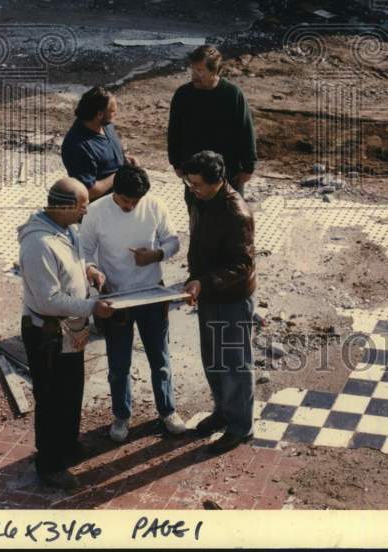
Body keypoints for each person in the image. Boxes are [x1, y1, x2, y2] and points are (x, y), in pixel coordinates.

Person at [18, 176, 114, 491]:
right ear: (66, 206)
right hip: (48, 334)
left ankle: (68, 445)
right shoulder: (38, 244)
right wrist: (91, 307)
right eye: (82, 207)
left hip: (69, 331)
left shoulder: (66, 229)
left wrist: (89, 270)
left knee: (71, 391)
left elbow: (75, 260)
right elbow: (49, 299)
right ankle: (50, 464)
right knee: (51, 399)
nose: (85, 213)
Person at [80, 164, 188, 442]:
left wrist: (155, 255)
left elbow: (173, 241)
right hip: (115, 296)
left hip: (151, 292)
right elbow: (84, 251)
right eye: (126, 200)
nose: (131, 206)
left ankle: (167, 411)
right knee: (118, 364)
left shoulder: (154, 205)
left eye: (136, 201)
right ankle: (121, 416)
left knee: (160, 359)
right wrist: (92, 270)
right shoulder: (96, 211)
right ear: (115, 191)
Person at [183, 151, 256, 453]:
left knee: (236, 364)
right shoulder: (198, 198)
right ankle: (223, 411)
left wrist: (204, 281)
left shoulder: (236, 213)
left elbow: (243, 266)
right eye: (189, 183)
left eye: (197, 184)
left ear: (217, 182)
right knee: (213, 359)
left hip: (232, 299)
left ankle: (241, 426)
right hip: (209, 293)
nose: (191, 189)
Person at [167, 46, 257, 197]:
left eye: (200, 70)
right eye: (193, 70)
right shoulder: (183, 95)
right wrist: (176, 163)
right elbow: (174, 132)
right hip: (194, 174)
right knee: (198, 218)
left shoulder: (233, 95)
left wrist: (248, 167)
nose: (194, 75)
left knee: (231, 218)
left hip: (228, 173)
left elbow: (245, 132)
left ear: (214, 71)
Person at [61, 86, 138, 201]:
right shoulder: (77, 146)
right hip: (101, 210)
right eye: (112, 111)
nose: (115, 115)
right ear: (99, 114)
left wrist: (125, 160)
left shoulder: (105, 125)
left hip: (121, 201)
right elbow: (89, 191)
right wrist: (120, 174)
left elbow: (104, 156)